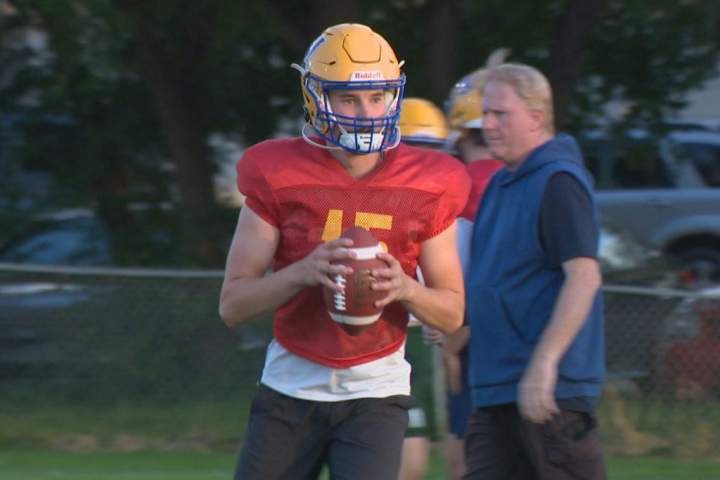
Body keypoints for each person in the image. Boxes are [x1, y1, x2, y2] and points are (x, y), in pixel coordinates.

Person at [219, 24, 471, 480]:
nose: (366, 112)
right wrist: (303, 271)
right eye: (348, 99)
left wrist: (405, 290)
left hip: (376, 390)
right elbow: (233, 305)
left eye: (377, 97)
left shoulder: (430, 180)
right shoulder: (276, 170)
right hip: (290, 386)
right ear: (315, 98)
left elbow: (452, 314)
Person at [463, 62, 606, 479]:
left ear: (536, 117)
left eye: (500, 114)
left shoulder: (558, 182)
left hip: (546, 392)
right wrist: (453, 316)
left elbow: (584, 276)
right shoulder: (498, 184)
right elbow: (491, 280)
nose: (487, 125)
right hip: (495, 387)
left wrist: (544, 364)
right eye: (485, 113)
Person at [395, 97, 451, 480]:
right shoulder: (367, 197)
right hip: (387, 340)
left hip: (428, 343)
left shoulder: (442, 204)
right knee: (405, 463)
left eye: (433, 149)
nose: (425, 159)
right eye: (416, 147)